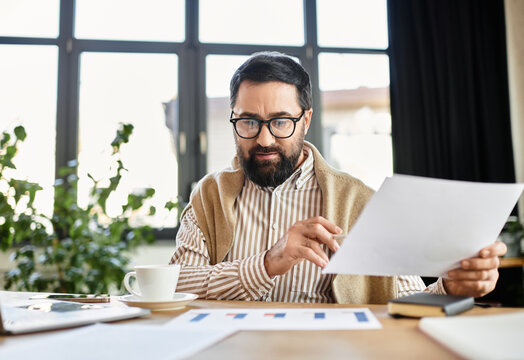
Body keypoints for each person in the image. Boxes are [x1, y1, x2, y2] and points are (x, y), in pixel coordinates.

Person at [170, 51, 507, 303]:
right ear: (234, 118)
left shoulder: (359, 200)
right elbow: (177, 285)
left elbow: (407, 300)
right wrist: (267, 264)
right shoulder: (209, 194)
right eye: (248, 121)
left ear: (305, 120)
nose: (264, 139)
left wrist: (450, 288)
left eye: (281, 121)